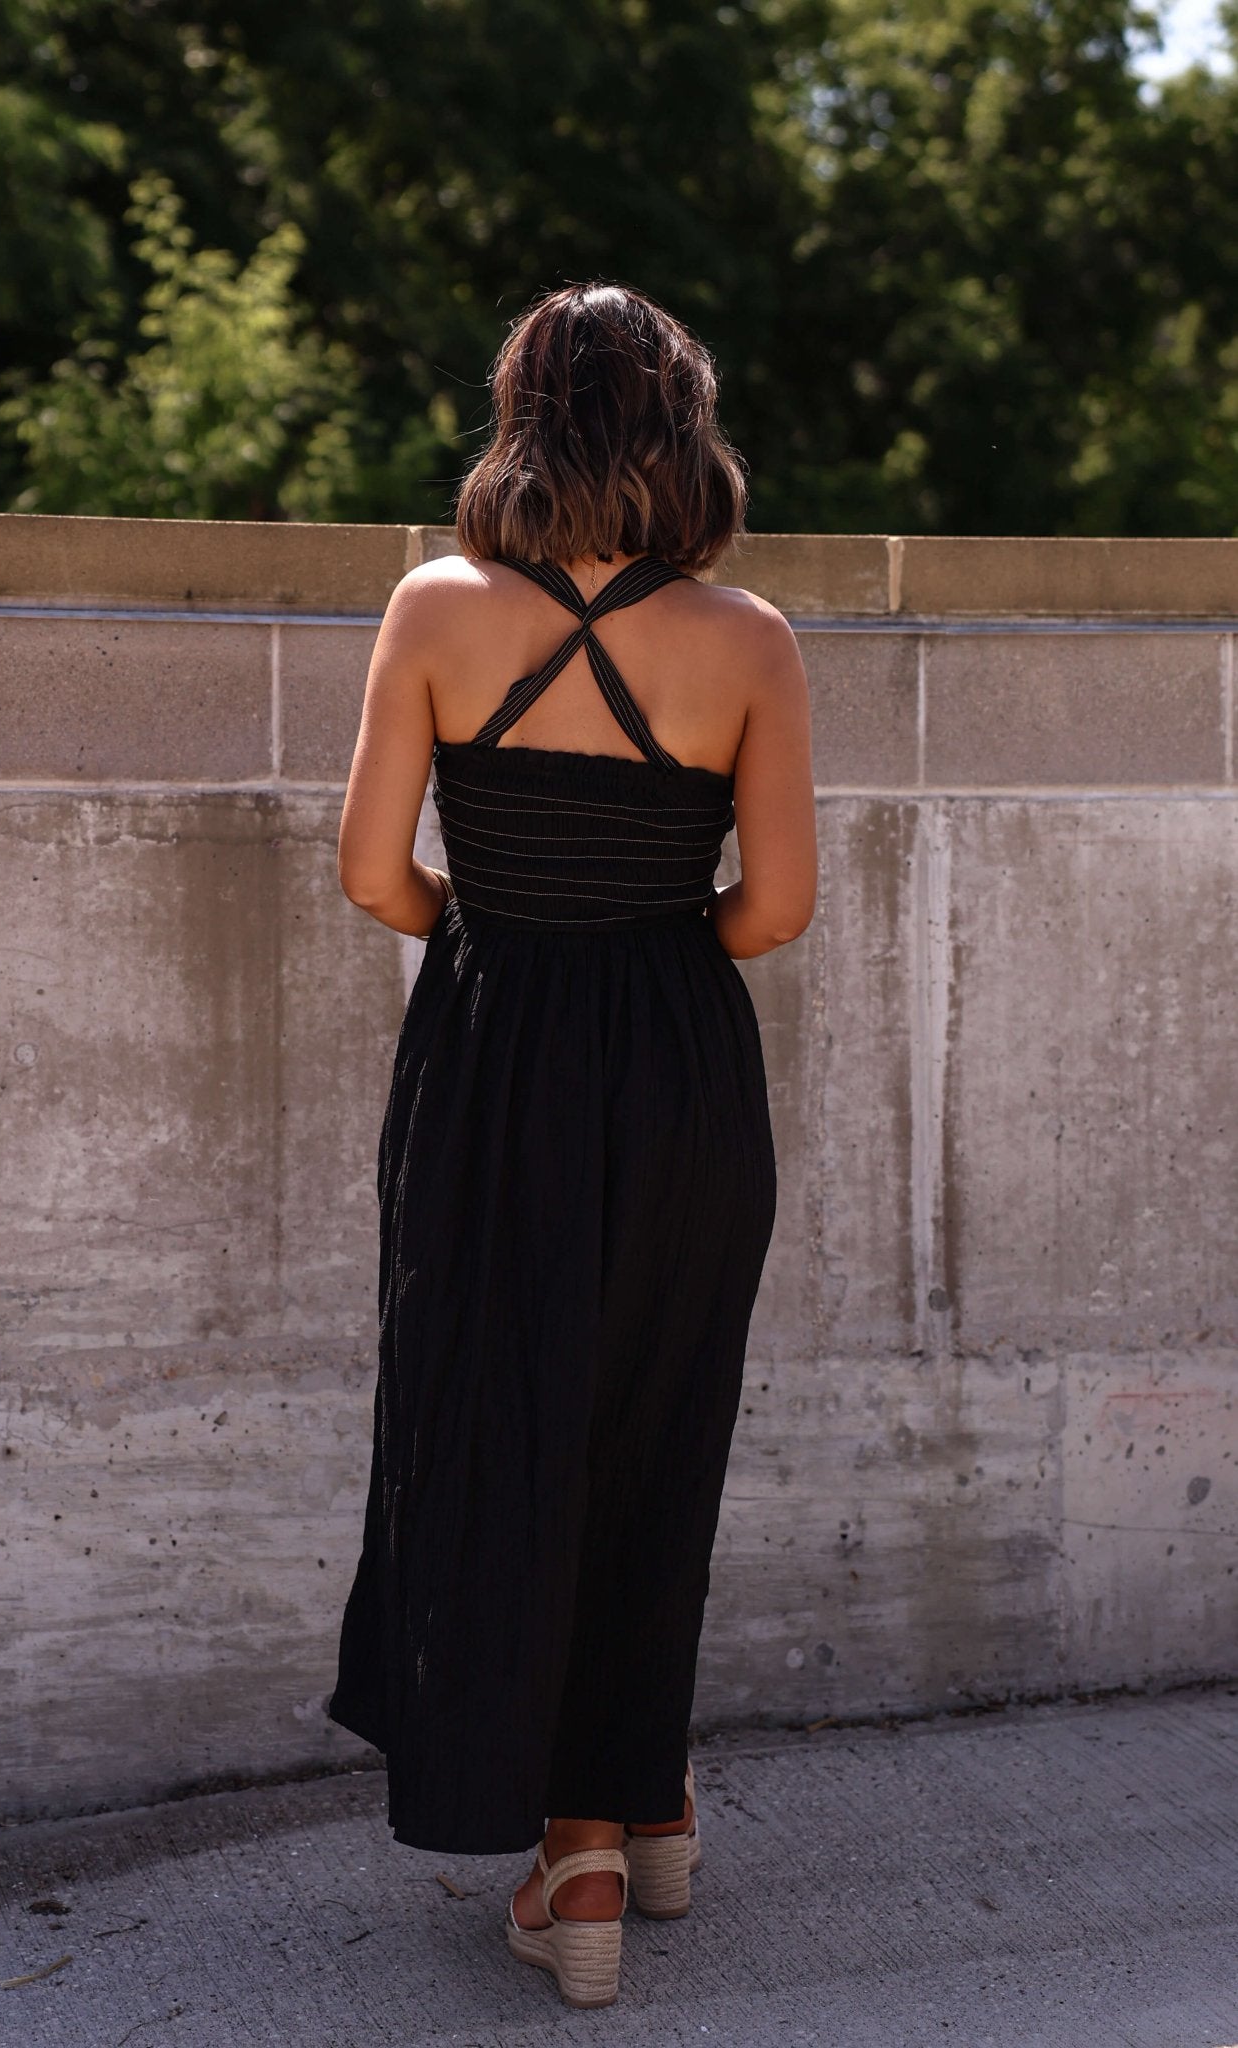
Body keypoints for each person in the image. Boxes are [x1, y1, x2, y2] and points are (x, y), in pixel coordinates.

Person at [328, 279, 817, 2010]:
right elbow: (770, 915)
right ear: (680, 422)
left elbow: (375, 875)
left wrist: (502, 922)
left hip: (493, 1048)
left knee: (501, 1420)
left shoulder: (434, 607)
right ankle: (644, 1804)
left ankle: (578, 1852)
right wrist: (639, 931)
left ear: (520, 414)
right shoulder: (747, 637)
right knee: (652, 1428)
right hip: (681, 1064)